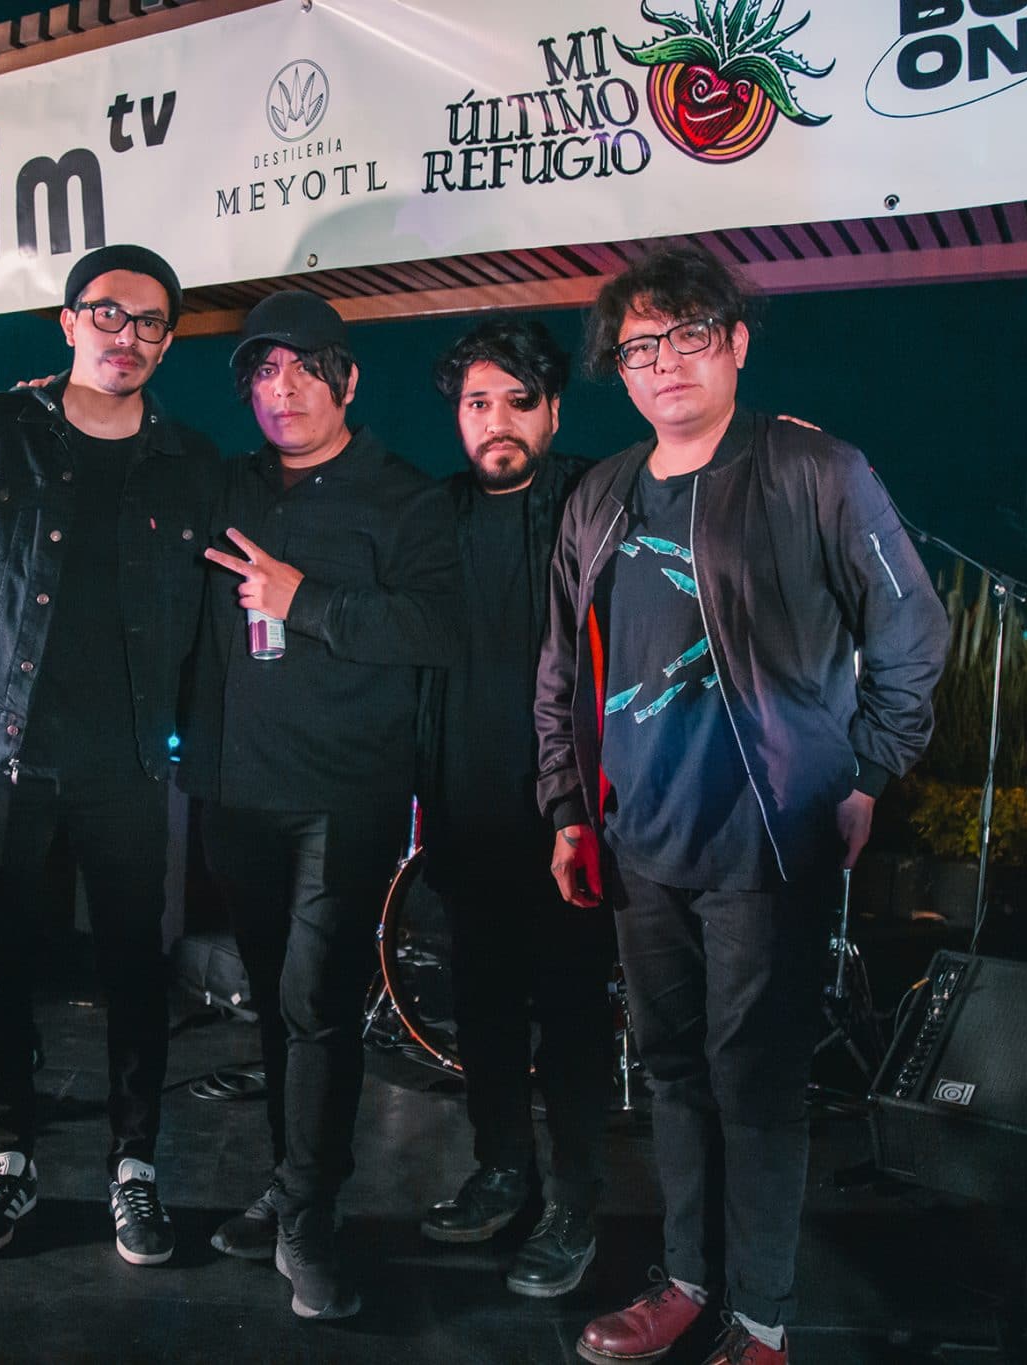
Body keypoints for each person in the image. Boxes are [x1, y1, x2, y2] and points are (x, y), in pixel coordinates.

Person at [535, 247, 949, 1365]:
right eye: (639, 346)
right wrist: (568, 806)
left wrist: (867, 773)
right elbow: (561, 666)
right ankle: (685, 1281)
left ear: (736, 345)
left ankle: (760, 1319)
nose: (664, 361)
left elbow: (910, 626)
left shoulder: (815, 469)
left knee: (756, 1082)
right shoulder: (599, 495)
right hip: (639, 838)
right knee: (670, 1070)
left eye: (689, 335)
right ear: (620, 370)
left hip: (765, 833)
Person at [0, 243, 218, 1266]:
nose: (125, 335)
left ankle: (133, 1169)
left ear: (166, 342)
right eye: (107, 313)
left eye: (148, 322)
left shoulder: (190, 461)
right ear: (68, 322)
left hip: (130, 763)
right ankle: (7, 1157)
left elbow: (201, 618)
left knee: (136, 969)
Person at [181, 289, 461, 1320]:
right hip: (236, 793)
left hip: (343, 799)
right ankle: (290, 1180)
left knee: (318, 1005)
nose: (283, 388)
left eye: (304, 368)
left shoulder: (406, 498)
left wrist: (306, 602)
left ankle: (309, 1215)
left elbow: (438, 627)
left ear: (347, 381)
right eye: (264, 371)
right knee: (274, 1003)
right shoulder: (228, 485)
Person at [416, 319, 615, 1300]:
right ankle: (502, 1168)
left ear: (553, 411)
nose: (496, 421)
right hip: (464, 805)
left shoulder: (597, 497)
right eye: (476, 403)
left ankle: (575, 1203)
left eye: (517, 401)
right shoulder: (434, 512)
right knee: (483, 1007)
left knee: (572, 1013)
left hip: (569, 814)